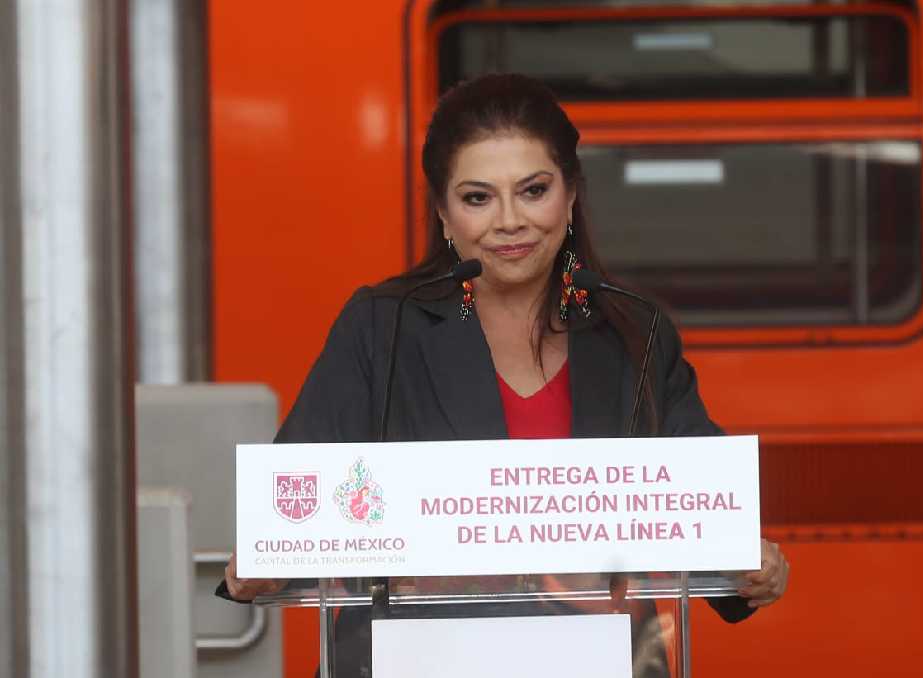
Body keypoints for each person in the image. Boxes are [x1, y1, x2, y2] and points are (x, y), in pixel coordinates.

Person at [219, 73, 789, 675]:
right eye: (478, 198)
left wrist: (750, 566)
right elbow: (296, 502)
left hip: (592, 658)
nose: (510, 220)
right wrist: (266, 559)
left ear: (571, 196)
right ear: (444, 214)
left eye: (533, 190)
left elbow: (704, 509)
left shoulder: (633, 330)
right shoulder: (383, 324)